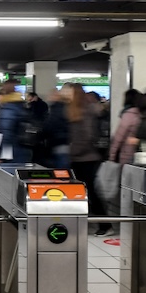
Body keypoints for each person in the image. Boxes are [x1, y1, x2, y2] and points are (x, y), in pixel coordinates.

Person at [68, 86, 113, 235]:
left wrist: (72, 151)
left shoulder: (85, 111)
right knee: (82, 191)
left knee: (90, 191)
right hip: (79, 157)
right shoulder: (75, 109)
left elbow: (87, 136)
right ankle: (87, 222)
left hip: (86, 158)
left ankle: (105, 225)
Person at [0, 82, 31, 163]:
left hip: (13, 152)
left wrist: (2, 156)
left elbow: (7, 135)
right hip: (25, 150)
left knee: (10, 174)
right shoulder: (21, 105)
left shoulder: (9, 108)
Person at [45, 85, 75, 169]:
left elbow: (50, 126)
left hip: (59, 143)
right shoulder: (69, 107)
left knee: (61, 172)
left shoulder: (57, 108)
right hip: (66, 143)